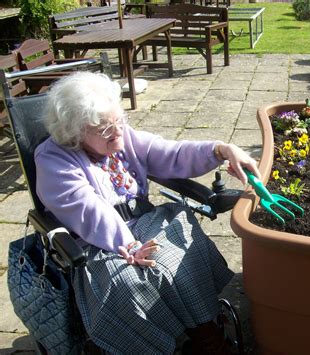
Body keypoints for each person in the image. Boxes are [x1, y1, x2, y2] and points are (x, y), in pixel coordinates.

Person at [34, 71, 261, 355]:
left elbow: (170, 153)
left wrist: (221, 150)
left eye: (118, 120)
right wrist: (128, 244)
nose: (117, 131)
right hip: (99, 242)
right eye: (104, 128)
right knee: (127, 284)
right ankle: (164, 345)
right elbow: (85, 209)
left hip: (146, 221)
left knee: (181, 251)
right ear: (75, 132)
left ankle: (209, 338)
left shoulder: (122, 136)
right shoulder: (53, 158)